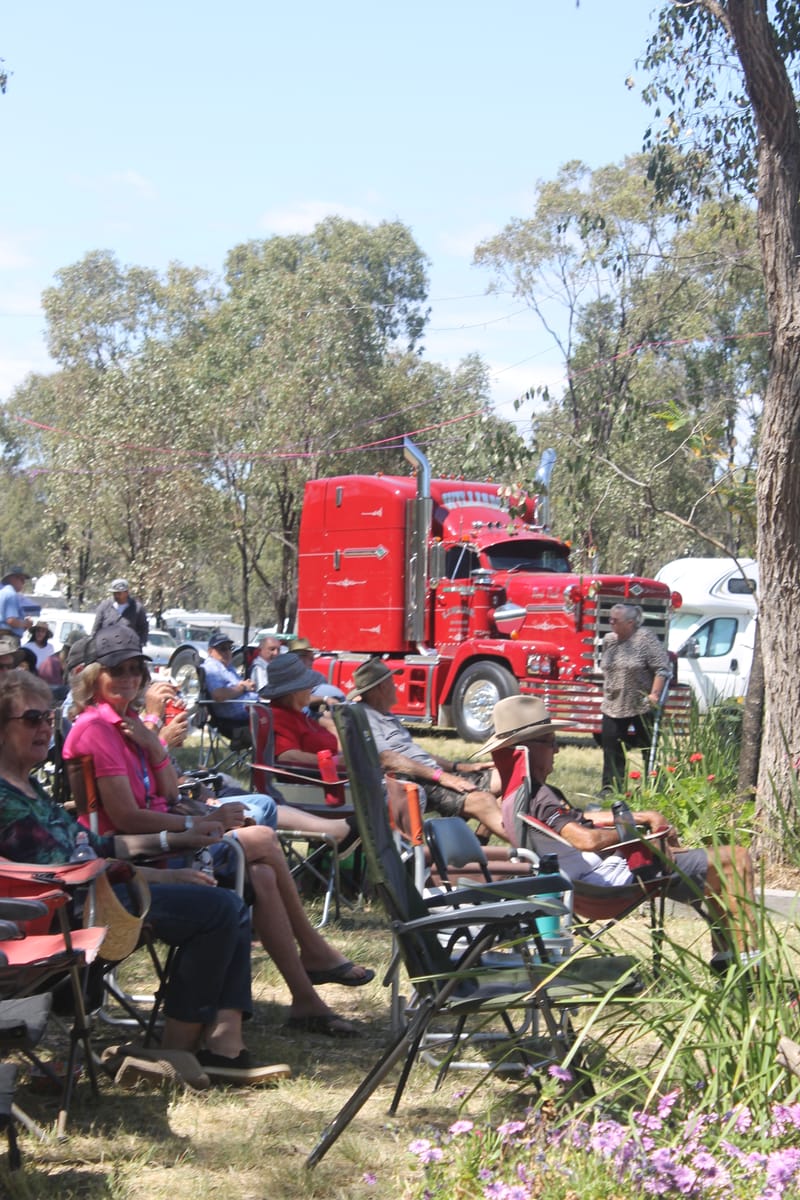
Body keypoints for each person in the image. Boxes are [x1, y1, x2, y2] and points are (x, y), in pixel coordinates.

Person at [62, 624, 373, 1036]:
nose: (129, 678)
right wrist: (198, 823)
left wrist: (155, 747)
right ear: (94, 677)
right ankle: (311, 958)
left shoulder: (129, 722)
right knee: (260, 837)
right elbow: (128, 818)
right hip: (137, 851)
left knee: (260, 872)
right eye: (117, 670)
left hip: (167, 837)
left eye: (136, 668)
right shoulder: (96, 730)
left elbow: (169, 792)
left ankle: (302, 1000)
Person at [0, 668, 290, 1085]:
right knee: (218, 908)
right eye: (31, 719)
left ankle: (217, 1044)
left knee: (227, 895)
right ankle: (174, 1052)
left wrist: (177, 839)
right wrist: (165, 880)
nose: (45, 728)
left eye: (48, 718)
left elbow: (102, 847)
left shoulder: (29, 788)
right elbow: (73, 874)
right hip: (68, 914)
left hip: (98, 893)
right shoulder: (7, 799)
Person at [480, 694, 757, 968]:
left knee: (717, 866)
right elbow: (585, 839)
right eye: (552, 742)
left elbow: (576, 819)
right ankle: (749, 968)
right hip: (603, 888)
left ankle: (728, 960)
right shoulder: (541, 797)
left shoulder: (519, 794)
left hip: (583, 882)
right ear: (528, 748)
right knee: (736, 860)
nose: (557, 750)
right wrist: (635, 835)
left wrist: (641, 817)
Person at [349, 659, 507, 840]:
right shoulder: (365, 716)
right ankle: (539, 858)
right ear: (382, 688)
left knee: (506, 777)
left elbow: (414, 753)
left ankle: (475, 845)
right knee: (483, 801)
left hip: (429, 774)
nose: (396, 687)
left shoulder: (385, 715)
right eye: (392, 683)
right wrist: (442, 776)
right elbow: (387, 759)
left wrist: (457, 766)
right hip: (414, 780)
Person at [600, 603, 671, 795]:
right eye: (610, 619)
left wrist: (654, 694)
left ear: (630, 622)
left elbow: (662, 668)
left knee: (649, 749)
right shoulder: (609, 640)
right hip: (612, 703)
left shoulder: (645, 639)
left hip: (641, 704)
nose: (611, 623)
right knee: (611, 748)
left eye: (615, 620)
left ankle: (653, 789)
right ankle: (611, 790)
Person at [202, 629, 258, 740]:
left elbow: (234, 687)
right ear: (210, 651)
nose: (227, 652)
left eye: (229, 648)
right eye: (222, 649)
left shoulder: (227, 667)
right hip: (235, 719)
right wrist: (243, 687)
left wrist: (246, 686)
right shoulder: (211, 667)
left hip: (250, 710)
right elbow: (218, 695)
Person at [93, 578, 149, 647]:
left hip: (129, 648)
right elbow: (96, 628)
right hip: (107, 647)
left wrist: (140, 643)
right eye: (114, 593)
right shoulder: (104, 606)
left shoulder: (137, 608)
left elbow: (144, 628)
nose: (116, 596)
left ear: (126, 592)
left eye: (119, 593)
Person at [0, 566, 33, 645]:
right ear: (12, 579)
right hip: (8, 639)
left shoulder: (2, 593)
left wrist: (22, 626)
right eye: (21, 579)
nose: (23, 583)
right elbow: (11, 620)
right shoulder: (11, 594)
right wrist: (26, 623)